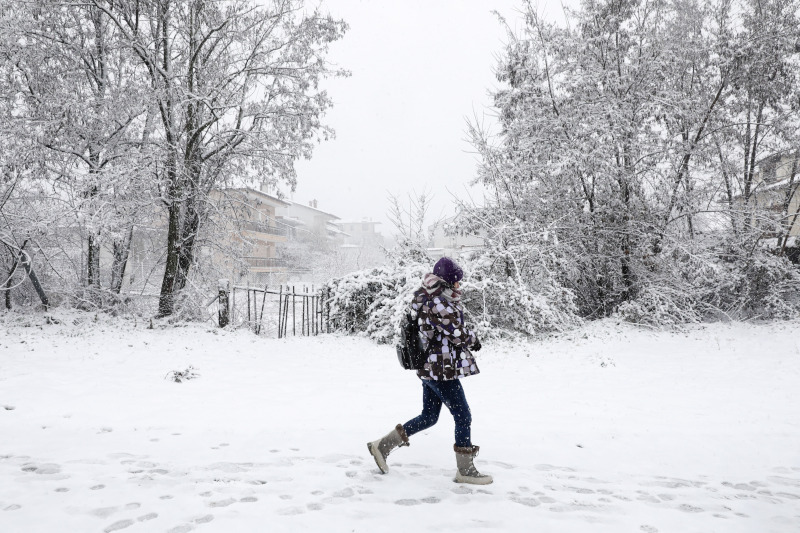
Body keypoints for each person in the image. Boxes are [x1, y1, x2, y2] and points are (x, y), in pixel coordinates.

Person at [367, 256, 492, 485]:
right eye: (456, 282)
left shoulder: (428, 297)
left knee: (429, 417)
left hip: (430, 367)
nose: (459, 286)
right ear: (447, 282)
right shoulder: (437, 302)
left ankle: (381, 446)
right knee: (463, 415)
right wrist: (473, 340)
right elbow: (455, 331)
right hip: (439, 369)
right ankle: (465, 470)